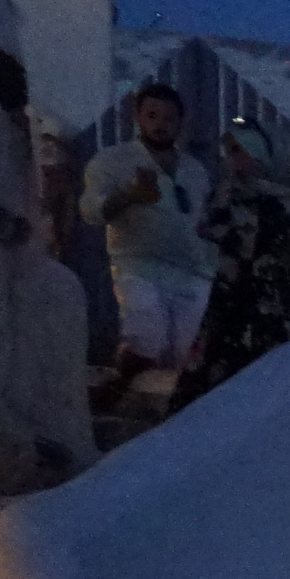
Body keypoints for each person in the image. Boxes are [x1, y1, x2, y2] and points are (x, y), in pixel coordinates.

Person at [80, 80, 215, 402]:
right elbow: (92, 211)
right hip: (139, 264)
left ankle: (163, 418)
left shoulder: (195, 171)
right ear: (138, 117)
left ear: (181, 123)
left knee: (184, 354)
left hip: (192, 273)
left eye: (169, 118)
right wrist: (128, 194)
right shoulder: (113, 161)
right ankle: (118, 394)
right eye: (152, 115)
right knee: (146, 334)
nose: (160, 124)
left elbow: (205, 219)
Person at [184, 121, 290, 404]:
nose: (233, 160)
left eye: (241, 150)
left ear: (263, 153)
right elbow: (207, 233)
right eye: (231, 151)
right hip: (228, 319)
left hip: (273, 323)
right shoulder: (227, 201)